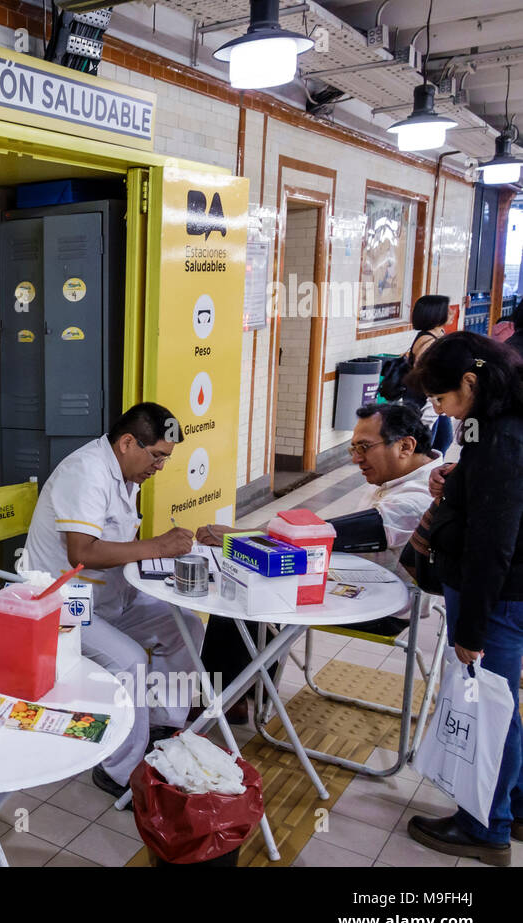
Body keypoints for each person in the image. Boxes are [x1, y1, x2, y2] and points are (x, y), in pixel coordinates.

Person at [195, 402, 441, 721]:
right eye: (353, 448)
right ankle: (246, 687)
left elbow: (327, 534)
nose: (356, 459)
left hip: (382, 607)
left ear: (405, 445)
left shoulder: (417, 496)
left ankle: (225, 699)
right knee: (257, 580)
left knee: (239, 596)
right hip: (354, 582)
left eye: (364, 447)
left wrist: (239, 535)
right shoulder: (399, 482)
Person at [21, 402, 200, 798]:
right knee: (130, 659)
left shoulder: (125, 474)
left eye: (166, 459)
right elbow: (82, 553)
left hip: (109, 599)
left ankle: (161, 725)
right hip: (64, 606)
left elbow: (118, 546)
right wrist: (156, 547)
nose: (160, 467)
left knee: (184, 623)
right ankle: (120, 769)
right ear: (126, 442)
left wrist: (158, 565)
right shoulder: (85, 472)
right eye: (157, 456)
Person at [403, 331, 523, 866]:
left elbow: (493, 542)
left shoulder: (502, 436)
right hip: (499, 595)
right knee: (502, 706)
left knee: (490, 709)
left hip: (495, 599)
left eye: (442, 399)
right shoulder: (495, 418)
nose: (438, 410)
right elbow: (489, 487)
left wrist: (471, 630)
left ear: (470, 382)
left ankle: (485, 826)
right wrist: (457, 476)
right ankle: (511, 807)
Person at [383, 294, 453, 455]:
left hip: (435, 400)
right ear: (436, 314)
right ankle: (422, 475)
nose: (451, 312)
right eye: (446, 309)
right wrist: (435, 403)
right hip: (426, 402)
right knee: (424, 447)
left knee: (443, 439)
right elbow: (426, 378)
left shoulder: (436, 335)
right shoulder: (428, 342)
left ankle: (430, 471)